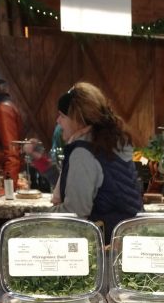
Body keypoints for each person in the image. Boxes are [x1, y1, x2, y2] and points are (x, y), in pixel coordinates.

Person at [50, 82, 142, 233]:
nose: (58, 121)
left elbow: (75, 214)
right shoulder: (113, 144)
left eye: (62, 115)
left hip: (104, 244)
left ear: (77, 119)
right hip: (128, 239)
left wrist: (37, 219)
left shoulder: (83, 153)